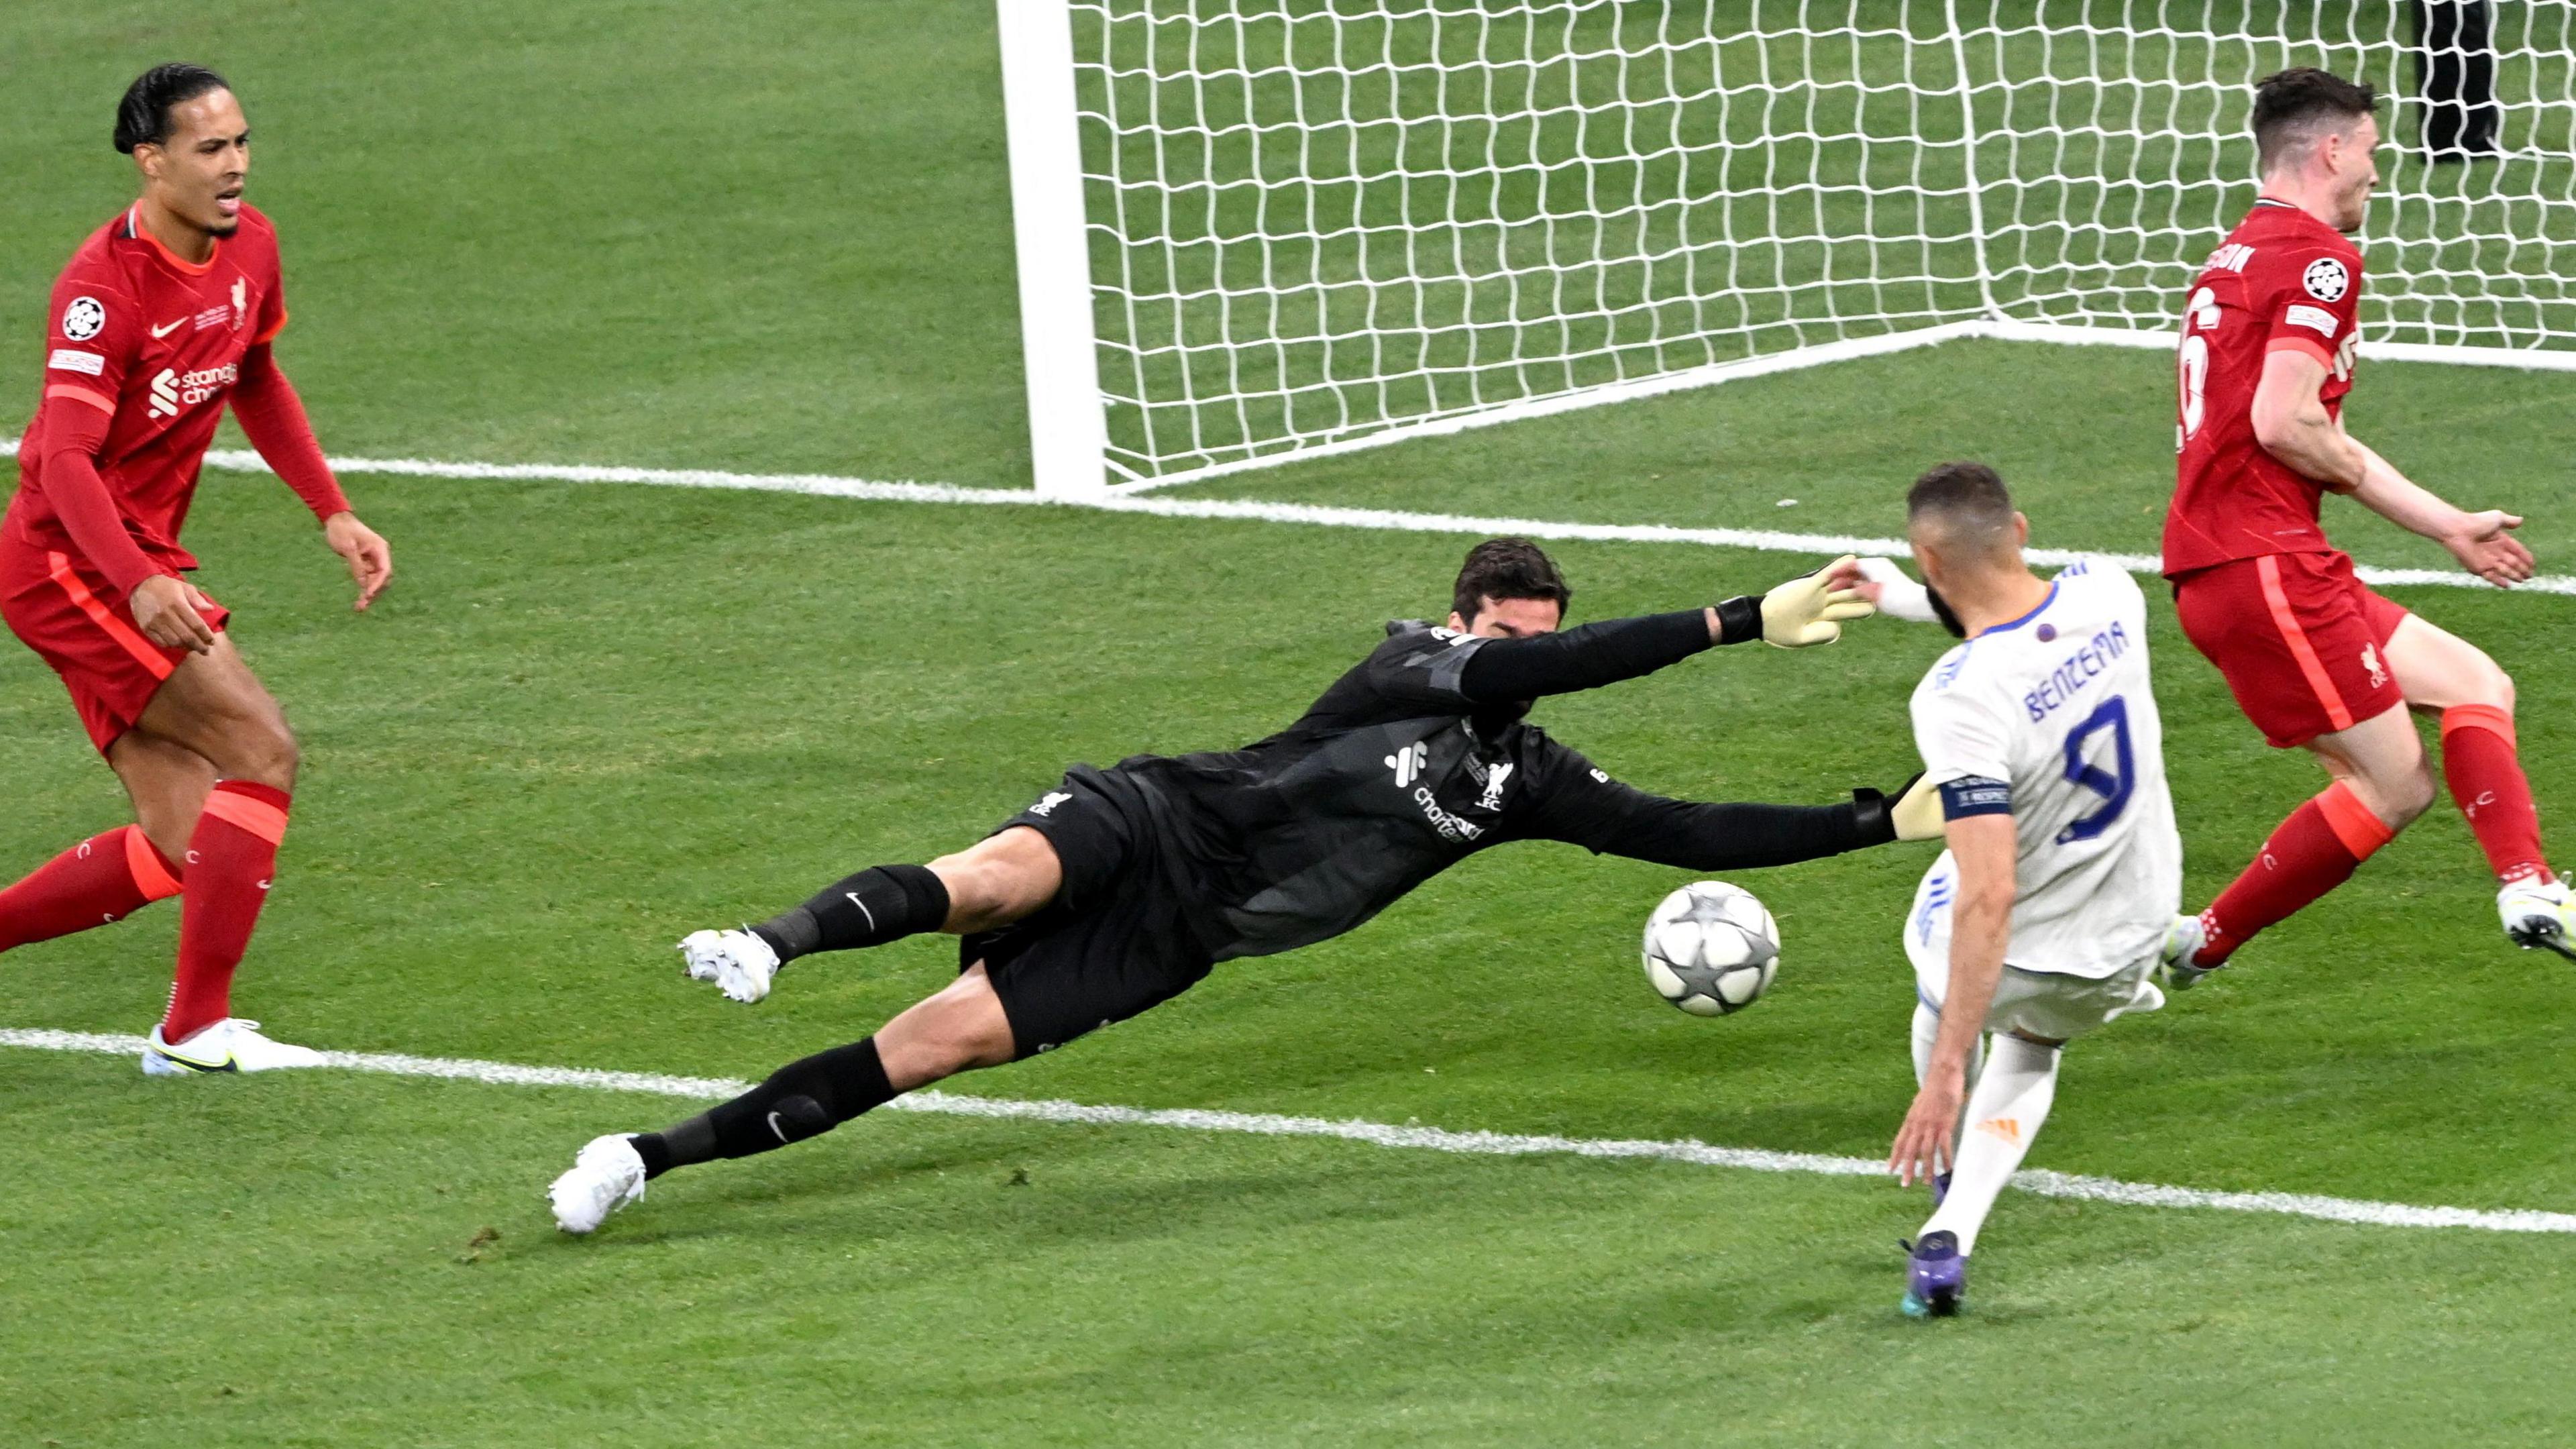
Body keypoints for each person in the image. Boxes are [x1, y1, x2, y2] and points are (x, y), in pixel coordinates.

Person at [550, 538, 1941, 1232]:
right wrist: (1735, 622)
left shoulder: (1526, 786)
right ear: (1467, 625)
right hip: (1155, 818)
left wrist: (1877, 826)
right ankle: (769, 941)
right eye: (1505, 638)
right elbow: (1543, 671)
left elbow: (1691, 832)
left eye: (1534, 640)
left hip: (1184, 936)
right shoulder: (1414, 666)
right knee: (989, 877)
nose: (1518, 658)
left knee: (933, 1046)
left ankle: (642, 1160)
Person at [0, 64, 392, 1073]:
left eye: (242, 143)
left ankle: (187, 1031)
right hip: (70, 559)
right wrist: (134, 578)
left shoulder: (248, 244)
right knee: (262, 748)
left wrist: (332, 510)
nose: (236, 167)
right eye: (212, 150)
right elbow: (62, 461)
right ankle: (191, 1034)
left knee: (188, 844)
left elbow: (256, 376)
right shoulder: (102, 289)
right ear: (153, 159)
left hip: (132, 554)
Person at [2161, 67, 2567, 984]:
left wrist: (2447, 526)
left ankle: (2530, 885)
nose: (2379, 173)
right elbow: (2285, 422)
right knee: (2394, 784)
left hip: (2252, 559)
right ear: (2330, 148)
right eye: (2373, 152)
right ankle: (2201, 943)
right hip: (2261, 566)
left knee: (2476, 683)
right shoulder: (2318, 259)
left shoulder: (2235, 255)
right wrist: (2336, 467)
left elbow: (2311, 432)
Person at [1865, 464, 2180, 1318]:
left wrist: (1942, 1079)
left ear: (1930, 558)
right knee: (2036, 1042)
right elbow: (2020, 612)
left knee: (1944, 900)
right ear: (2022, 528)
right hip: (2128, 941)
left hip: (2027, 953)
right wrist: (1905, 600)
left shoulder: (1958, 698)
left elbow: (1989, 895)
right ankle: (1951, 1239)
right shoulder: (2113, 594)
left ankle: (1945, 1181)